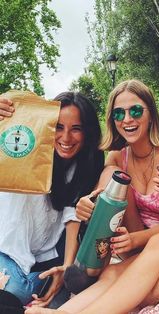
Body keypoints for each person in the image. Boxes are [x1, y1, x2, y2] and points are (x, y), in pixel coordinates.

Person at [24, 61, 159, 314]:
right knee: (115, 270)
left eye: (136, 111)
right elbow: (105, 183)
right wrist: (91, 201)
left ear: (150, 113)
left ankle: (155, 292)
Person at [0, 92, 104, 307]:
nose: (66, 138)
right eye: (58, 127)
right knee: (13, 292)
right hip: (7, 246)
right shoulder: (26, 147)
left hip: (44, 254)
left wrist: (67, 268)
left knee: (16, 292)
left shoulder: (85, 165)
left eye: (76, 129)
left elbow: (72, 215)